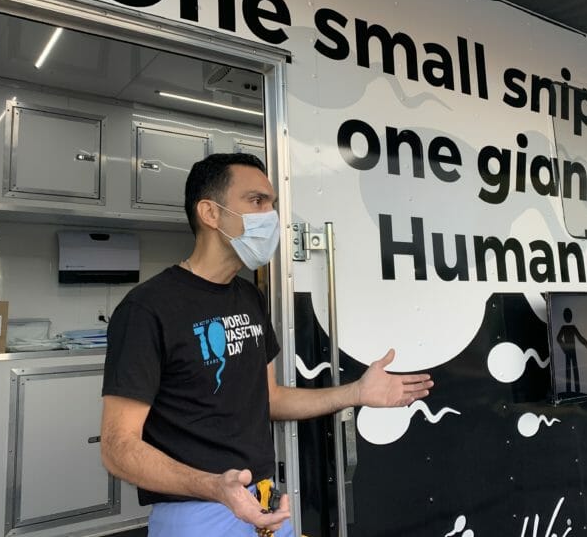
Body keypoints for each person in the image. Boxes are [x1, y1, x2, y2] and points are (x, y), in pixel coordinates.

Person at [100, 153, 433, 537]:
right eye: (257, 202)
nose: (271, 215)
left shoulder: (248, 297)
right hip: (197, 515)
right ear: (210, 213)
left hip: (266, 504)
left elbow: (271, 398)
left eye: (272, 204)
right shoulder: (147, 308)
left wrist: (356, 392)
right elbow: (117, 447)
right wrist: (214, 487)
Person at [556, 307, 587, 394]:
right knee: (569, 371)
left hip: (572, 351)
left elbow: (579, 337)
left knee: (574, 371)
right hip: (569, 351)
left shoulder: (572, 327)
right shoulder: (564, 328)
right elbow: (558, 338)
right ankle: (569, 390)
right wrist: (564, 348)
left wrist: (586, 343)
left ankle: (577, 390)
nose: (569, 318)